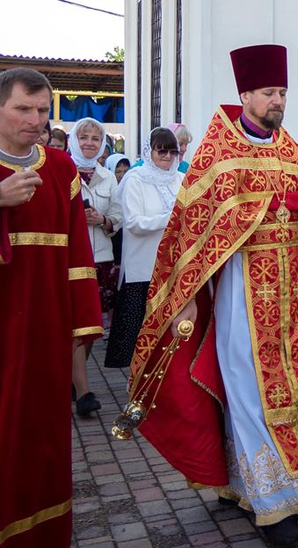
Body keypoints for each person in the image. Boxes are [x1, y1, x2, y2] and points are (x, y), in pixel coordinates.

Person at [126, 44, 298, 548]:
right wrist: (185, 294)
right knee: (251, 390)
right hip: (240, 300)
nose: (278, 101)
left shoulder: (290, 151)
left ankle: (283, 486)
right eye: (270, 93)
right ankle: (274, 510)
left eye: (282, 93)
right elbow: (191, 234)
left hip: (289, 298)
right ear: (245, 93)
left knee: (290, 391)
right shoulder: (218, 152)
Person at [0, 68, 102, 548]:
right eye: (23, 109)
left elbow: (79, 254)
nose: (35, 121)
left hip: (42, 327)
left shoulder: (60, 168)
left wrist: (81, 324)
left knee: (41, 437)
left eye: (42, 112)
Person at [105, 128, 182, 368]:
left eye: (172, 151)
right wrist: (171, 218)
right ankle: (136, 389)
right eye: (162, 151)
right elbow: (134, 223)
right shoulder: (135, 178)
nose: (167, 157)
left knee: (169, 336)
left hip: (174, 267)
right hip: (143, 269)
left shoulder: (180, 179)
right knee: (140, 338)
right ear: (150, 152)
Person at [69, 117, 122, 416]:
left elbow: (118, 214)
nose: (89, 142)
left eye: (94, 138)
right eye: (83, 137)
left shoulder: (108, 177)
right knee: (76, 323)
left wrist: (101, 221)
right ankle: (83, 389)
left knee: (92, 324)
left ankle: (74, 378)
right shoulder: (61, 170)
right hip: (70, 258)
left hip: (100, 257)